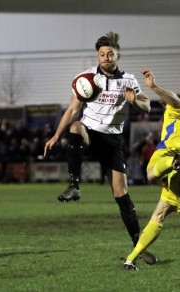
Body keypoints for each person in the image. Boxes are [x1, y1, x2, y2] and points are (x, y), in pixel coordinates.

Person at [44, 32, 156, 265]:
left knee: (122, 196)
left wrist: (134, 99)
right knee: (76, 126)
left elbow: (146, 103)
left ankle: (139, 246)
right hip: (90, 134)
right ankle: (74, 185)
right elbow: (73, 110)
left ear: (118, 55)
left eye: (110, 54)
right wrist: (56, 135)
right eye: (102, 54)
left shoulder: (128, 80)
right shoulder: (87, 79)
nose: (105, 57)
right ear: (98, 56)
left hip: (113, 141)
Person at [123, 69, 180, 271]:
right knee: (159, 215)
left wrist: (153, 87)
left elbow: (175, 101)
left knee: (151, 173)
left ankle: (173, 163)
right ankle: (130, 259)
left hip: (172, 152)